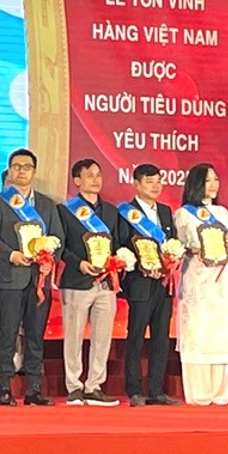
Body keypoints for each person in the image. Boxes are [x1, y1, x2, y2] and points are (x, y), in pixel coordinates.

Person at [0, 147, 63, 406]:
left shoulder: (46, 204)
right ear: (9, 171)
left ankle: (34, 389)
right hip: (11, 277)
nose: (21, 171)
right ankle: (5, 387)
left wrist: (50, 260)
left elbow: (58, 237)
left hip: (38, 279)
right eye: (16, 166)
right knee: (7, 333)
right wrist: (11, 255)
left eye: (26, 167)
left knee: (35, 335)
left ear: (34, 171)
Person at [58, 158, 126, 406]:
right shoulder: (65, 210)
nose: (96, 180)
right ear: (77, 180)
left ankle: (94, 385)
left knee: (102, 337)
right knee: (74, 336)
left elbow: (117, 243)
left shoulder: (111, 211)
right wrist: (79, 263)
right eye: (89, 175)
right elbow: (61, 246)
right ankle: (74, 386)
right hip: (77, 281)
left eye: (99, 175)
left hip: (106, 283)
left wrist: (117, 262)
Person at [173, 163, 228, 405]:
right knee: (198, 331)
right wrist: (192, 250)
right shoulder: (183, 214)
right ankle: (199, 392)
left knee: (219, 330)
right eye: (208, 180)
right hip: (196, 278)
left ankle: (220, 392)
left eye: (216, 180)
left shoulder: (222, 213)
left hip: (219, 279)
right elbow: (179, 247)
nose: (214, 184)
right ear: (196, 183)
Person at [119, 163, 180, 405]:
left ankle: (156, 390)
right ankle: (134, 390)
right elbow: (121, 245)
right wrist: (142, 266)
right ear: (136, 184)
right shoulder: (126, 212)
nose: (155, 186)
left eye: (158, 181)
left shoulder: (165, 211)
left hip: (163, 283)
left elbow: (172, 242)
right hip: (140, 283)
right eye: (149, 181)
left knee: (161, 337)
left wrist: (171, 261)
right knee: (135, 336)